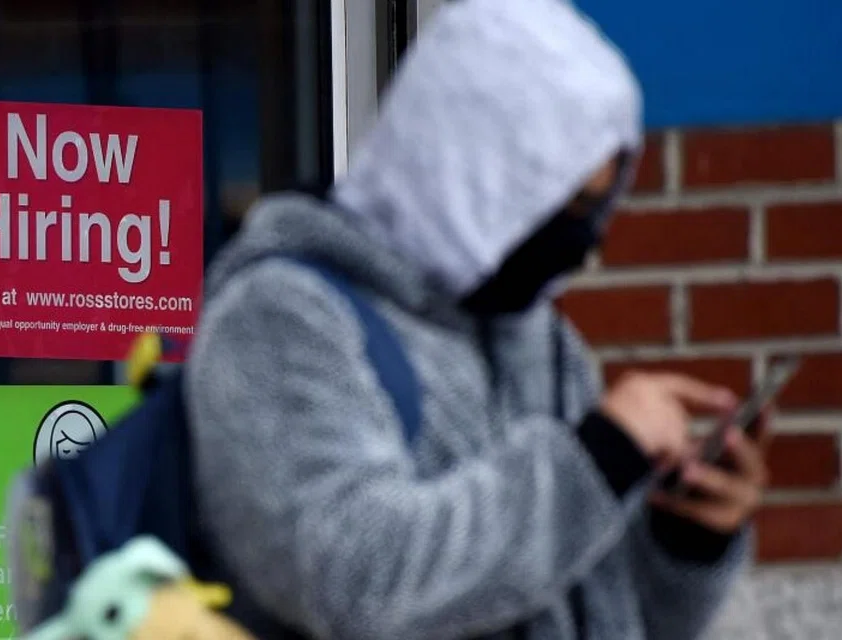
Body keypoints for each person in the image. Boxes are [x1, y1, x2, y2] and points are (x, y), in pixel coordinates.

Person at [184, 0, 767, 638]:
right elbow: (347, 578)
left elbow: (607, 615)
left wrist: (686, 540)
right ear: (472, 172)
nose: (584, 240)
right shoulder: (281, 317)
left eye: (594, 207)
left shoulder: (542, 341)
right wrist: (596, 462)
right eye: (561, 201)